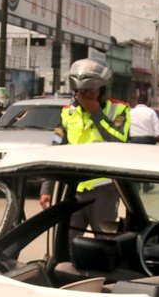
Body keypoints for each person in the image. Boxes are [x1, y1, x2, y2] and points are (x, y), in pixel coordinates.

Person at [38, 57, 130, 234]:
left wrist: (96, 112)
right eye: (81, 91)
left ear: (102, 90)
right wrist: (46, 188)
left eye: (91, 91)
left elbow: (118, 141)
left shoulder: (119, 110)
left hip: (104, 190)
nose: (85, 96)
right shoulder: (68, 113)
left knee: (104, 243)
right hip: (73, 189)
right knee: (67, 242)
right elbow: (55, 150)